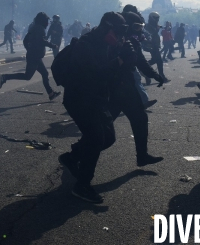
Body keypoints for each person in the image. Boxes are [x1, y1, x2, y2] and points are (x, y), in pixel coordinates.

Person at [58, 12, 130, 203]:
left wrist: (124, 54)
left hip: (97, 99)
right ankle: (82, 185)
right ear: (107, 27)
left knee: (108, 138)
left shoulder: (108, 44)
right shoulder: (86, 44)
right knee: (96, 138)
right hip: (79, 98)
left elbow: (112, 73)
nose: (120, 36)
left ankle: (72, 157)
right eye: (118, 31)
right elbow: (96, 73)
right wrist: (119, 60)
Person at [109, 12, 165, 166]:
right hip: (112, 88)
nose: (138, 30)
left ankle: (142, 156)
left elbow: (140, 61)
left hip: (124, 87)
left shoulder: (128, 41)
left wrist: (155, 75)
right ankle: (76, 155)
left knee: (139, 119)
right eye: (135, 27)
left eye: (140, 27)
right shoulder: (115, 41)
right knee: (104, 129)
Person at [0, 12, 61, 101]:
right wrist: (53, 46)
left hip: (35, 56)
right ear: (42, 21)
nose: (47, 23)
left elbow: (25, 41)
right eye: (46, 21)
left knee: (45, 73)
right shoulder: (40, 29)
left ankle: (51, 94)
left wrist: (30, 50)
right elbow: (42, 41)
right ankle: (5, 77)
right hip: (35, 57)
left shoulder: (33, 28)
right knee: (27, 76)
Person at [145, 12, 168, 82]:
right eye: (156, 18)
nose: (157, 20)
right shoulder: (148, 26)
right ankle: (160, 76)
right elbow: (150, 34)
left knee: (155, 60)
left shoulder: (154, 25)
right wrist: (157, 30)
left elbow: (161, 27)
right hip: (151, 45)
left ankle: (146, 71)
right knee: (158, 61)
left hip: (155, 45)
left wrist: (165, 27)